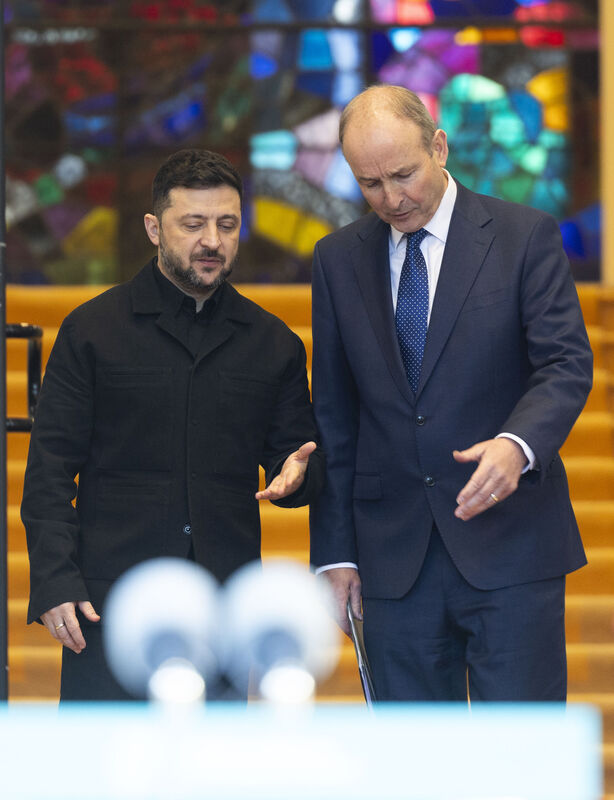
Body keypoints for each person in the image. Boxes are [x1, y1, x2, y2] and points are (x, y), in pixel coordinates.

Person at [309, 85, 593, 702]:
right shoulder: (335, 260)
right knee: (413, 755)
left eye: (403, 175)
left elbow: (566, 363)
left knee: (520, 749)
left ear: (438, 148)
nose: (392, 198)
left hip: (511, 544)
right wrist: (334, 554)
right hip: (392, 560)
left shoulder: (524, 236)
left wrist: (518, 445)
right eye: (370, 183)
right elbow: (334, 415)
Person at [21, 148, 324, 701]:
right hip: (108, 604)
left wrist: (297, 475)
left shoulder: (274, 343)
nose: (212, 240)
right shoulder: (92, 330)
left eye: (227, 224)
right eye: (193, 224)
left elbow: (295, 458)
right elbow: (48, 472)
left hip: (224, 611)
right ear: (154, 228)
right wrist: (55, 579)